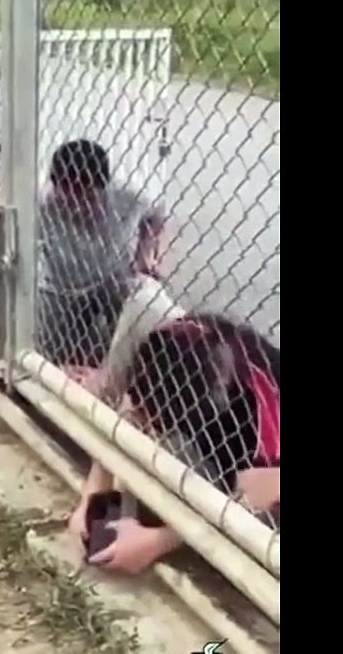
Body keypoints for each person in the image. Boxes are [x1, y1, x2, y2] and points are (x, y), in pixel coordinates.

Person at [67, 279, 281, 575]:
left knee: (250, 506)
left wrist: (155, 542)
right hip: (216, 386)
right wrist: (92, 493)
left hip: (262, 462)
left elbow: (244, 507)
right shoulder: (180, 335)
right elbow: (132, 405)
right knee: (143, 302)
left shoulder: (259, 436)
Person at [35, 139, 164, 370]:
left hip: (114, 277)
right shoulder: (41, 203)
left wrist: (145, 258)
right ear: (55, 187)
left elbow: (155, 216)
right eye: (68, 198)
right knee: (56, 357)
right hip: (64, 286)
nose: (77, 207)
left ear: (104, 187)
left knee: (132, 341)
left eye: (87, 198)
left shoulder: (128, 197)